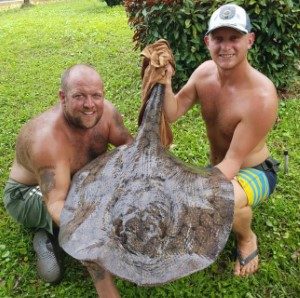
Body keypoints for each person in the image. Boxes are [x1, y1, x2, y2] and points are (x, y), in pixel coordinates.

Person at [163, 4, 279, 276]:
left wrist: (189, 192)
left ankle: (246, 237)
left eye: (234, 38)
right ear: (207, 42)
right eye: (218, 38)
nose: (225, 46)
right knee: (202, 199)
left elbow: (233, 163)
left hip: (255, 171)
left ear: (249, 40)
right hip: (219, 166)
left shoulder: (261, 96)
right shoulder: (204, 73)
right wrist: (164, 81)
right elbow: (173, 111)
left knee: (219, 200)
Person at [3, 64, 132, 297]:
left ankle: (58, 231)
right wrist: (91, 241)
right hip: (27, 195)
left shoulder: (107, 114)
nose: (89, 105)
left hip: (77, 181)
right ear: (62, 97)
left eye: (96, 96)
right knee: (85, 217)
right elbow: (56, 202)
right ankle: (45, 234)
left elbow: (131, 151)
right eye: (79, 96)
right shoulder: (47, 141)